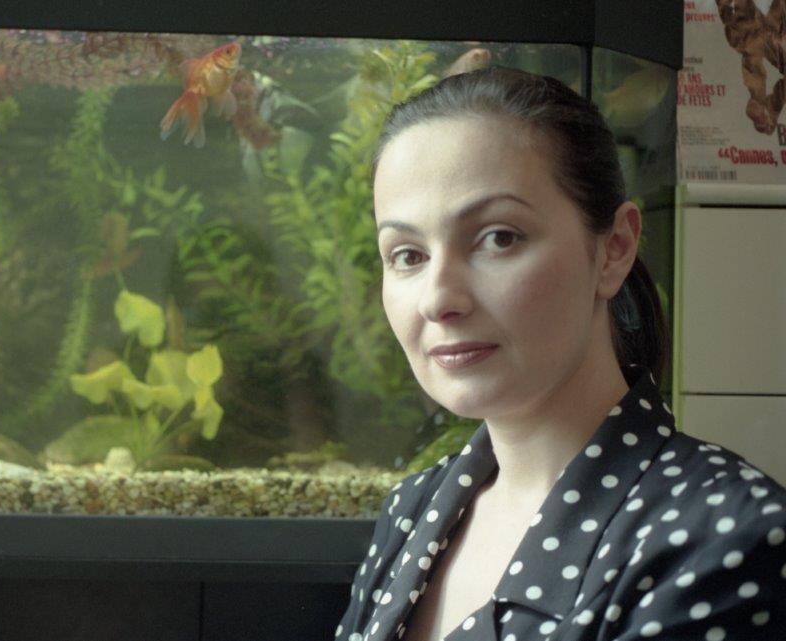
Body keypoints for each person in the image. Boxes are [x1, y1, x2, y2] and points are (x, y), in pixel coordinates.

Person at [334, 66, 786, 641]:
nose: (439, 300)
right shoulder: (413, 508)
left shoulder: (725, 537)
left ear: (614, 249)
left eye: (499, 238)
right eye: (407, 255)